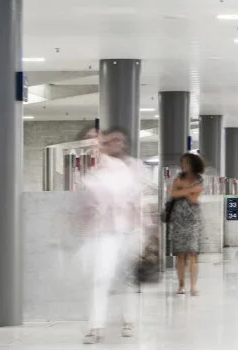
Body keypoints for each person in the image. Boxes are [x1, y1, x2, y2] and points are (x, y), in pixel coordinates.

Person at [80, 128, 144, 344]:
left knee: (127, 278)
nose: (93, 145)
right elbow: (86, 206)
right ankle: (96, 326)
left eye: (97, 140)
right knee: (101, 277)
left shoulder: (120, 168)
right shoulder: (90, 174)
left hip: (125, 230)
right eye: (89, 141)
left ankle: (129, 319)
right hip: (102, 233)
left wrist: (141, 230)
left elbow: (133, 200)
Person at [168, 153, 205, 296]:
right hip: (178, 220)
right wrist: (189, 190)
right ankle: (181, 285)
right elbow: (173, 193)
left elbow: (193, 199)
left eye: (186, 162)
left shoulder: (199, 179)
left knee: (193, 254)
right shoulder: (178, 178)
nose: (183, 165)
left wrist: (182, 190)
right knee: (180, 254)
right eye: (182, 162)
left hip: (192, 220)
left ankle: (193, 286)